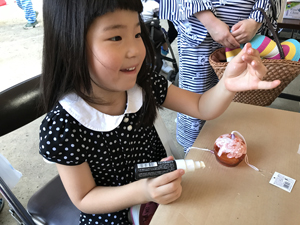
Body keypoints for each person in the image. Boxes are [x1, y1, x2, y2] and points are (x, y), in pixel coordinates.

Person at [38, 0, 280, 224]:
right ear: (70, 44)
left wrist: (227, 83)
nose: (135, 49)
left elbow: (200, 107)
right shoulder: (63, 126)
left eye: (136, 33)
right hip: (114, 212)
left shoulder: (144, 84)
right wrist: (144, 190)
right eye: (115, 37)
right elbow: (85, 199)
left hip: (163, 193)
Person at [159, 0, 281, 151]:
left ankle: (237, 150)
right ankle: (195, 151)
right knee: (195, 103)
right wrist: (209, 20)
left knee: (242, 104)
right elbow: (196, 105)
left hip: (248, 32)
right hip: (197, 29)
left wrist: (255, 20)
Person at [141, 0, 174, 75]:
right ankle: (164, 53)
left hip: (139, 34)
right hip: (153, 33)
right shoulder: (153, 4)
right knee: (164, 35)